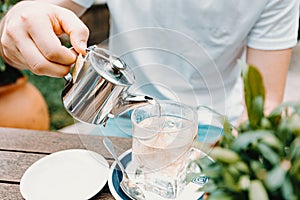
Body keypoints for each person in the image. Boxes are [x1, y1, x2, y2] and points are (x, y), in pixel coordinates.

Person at [0, 0, 299, 137]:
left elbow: (266, 100)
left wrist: (245, 148)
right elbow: (33, 20)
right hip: (117, 119)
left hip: (216, 126)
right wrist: (19, 20)